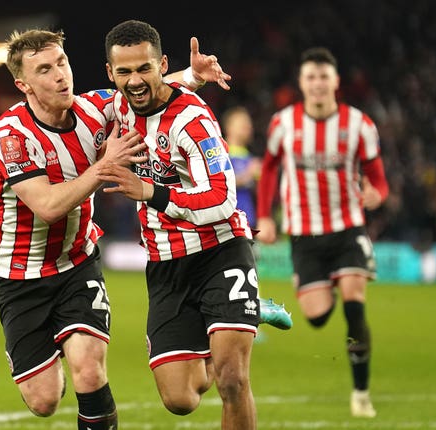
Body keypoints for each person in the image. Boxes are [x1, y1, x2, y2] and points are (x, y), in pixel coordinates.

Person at [0, 28, 231, 430]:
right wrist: (104, 167)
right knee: (43, 400)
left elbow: (142, 90)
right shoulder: (11, 137)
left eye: (61, 62)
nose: (60, 75)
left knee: (90, 370)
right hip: (18, 274)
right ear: (22, 84)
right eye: (44, 69)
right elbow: (47, 206)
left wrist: (194, 76)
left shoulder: (94, 111)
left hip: (78, 263)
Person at [96, 20, 292, 429]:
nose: (135, 80)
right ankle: (240, 316)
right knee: (180, 399)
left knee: (232, 378)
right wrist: (188, 75)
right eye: (124, 71)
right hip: (167, 264)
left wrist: (151, 192)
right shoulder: (115, 107)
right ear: (110, 73)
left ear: (161, 63)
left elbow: (222, 200)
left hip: (220, 251)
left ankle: (234, 315)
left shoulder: (193, 120)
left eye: (145, 69)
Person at [255, 47, 389, 418]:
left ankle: (361, 393)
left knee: (355, 306)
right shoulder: (283, 123)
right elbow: (268, 171)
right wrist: (266, 216)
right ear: (302, 83)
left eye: (323, 77)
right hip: (304, 235)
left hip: (348, 229)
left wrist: (378, 194)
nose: (317, 84)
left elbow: (378, 179)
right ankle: (324, 285)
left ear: (335, 82)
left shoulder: (359, 124)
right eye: (310, 77)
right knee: (315, 316)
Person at [221, 106, 262, 228]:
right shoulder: (221, 153)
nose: (248, 126)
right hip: (228, 222)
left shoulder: (250, 157)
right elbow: (220, 183)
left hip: (249, 220)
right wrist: (248, 174)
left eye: (248, 123)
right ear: (229, 127)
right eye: (242, 123)